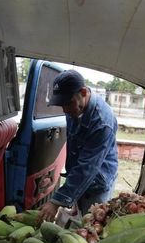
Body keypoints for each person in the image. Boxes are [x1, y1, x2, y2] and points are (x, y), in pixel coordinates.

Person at [38, 69, 119, 222]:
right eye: (62, 104)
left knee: (91, 224)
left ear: (83, 92)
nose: (65, 110)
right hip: (80, 176)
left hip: (98, 180)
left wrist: (56, 201)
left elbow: (88, 167)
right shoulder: (75, 109)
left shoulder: (102, 122)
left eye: (68, 103)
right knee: (78, 217)